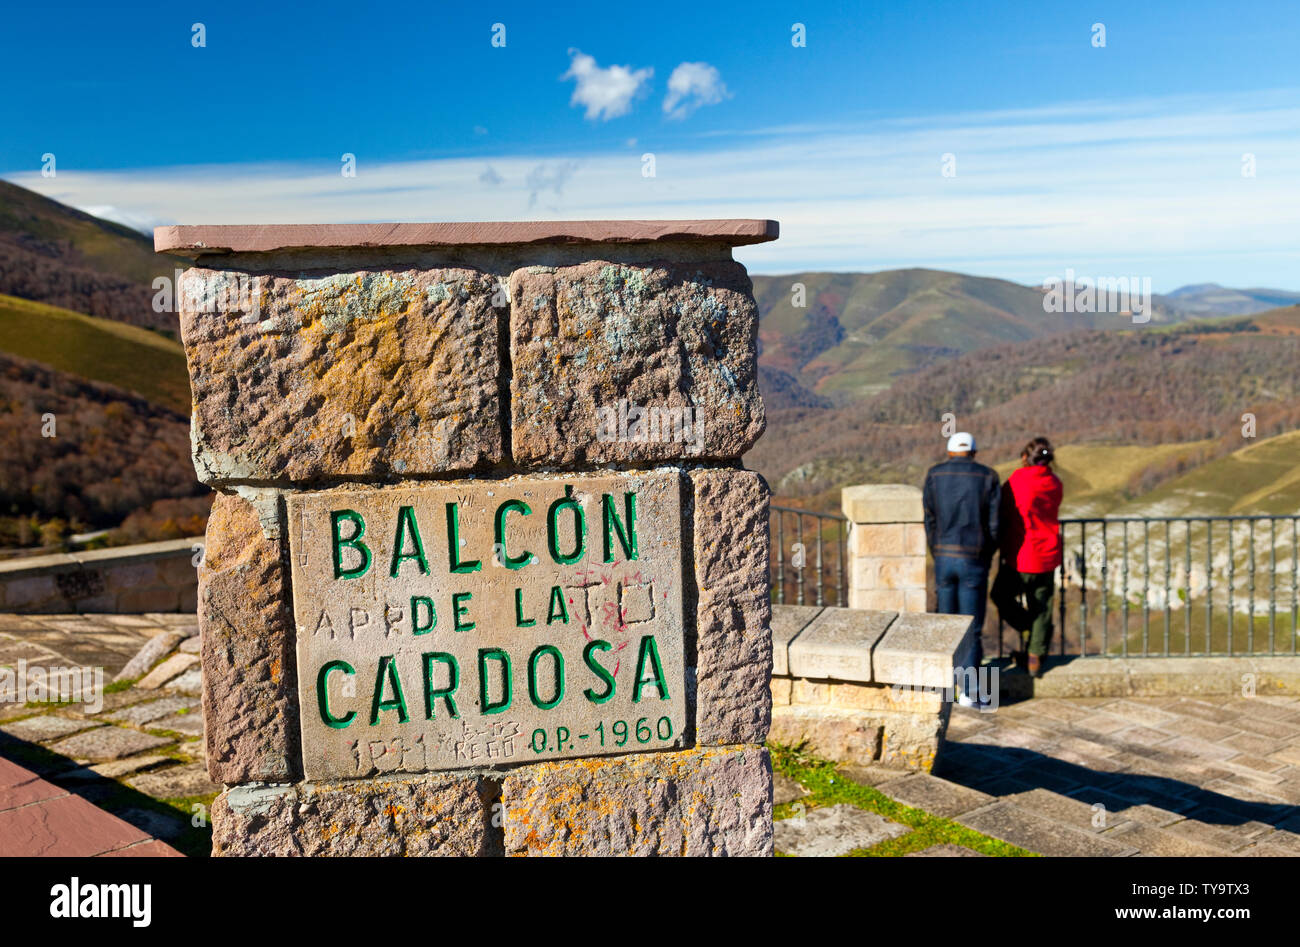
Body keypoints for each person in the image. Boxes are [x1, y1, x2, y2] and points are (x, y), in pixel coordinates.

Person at [922, 432, 1000, 707]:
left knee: (945, 625)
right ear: (974, 452)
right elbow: (994, 525)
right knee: (971, 627)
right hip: (973, 558)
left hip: (944, 557)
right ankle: (969, 691)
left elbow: (929, 518)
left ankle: (945, 688)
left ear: (950, 452)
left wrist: (937, 550)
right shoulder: (988, 477)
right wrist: (986, 555)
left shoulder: (935, 475)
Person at [994, 436, 1064, 677]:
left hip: (1022, 553)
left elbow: (1002, 508)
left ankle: (1029, 628)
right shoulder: (1054, 483)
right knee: (1041, 606)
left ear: (1025, 457)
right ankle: (1035, 656)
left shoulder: (1017, 481)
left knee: (1000, 595)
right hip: (1049, 552)